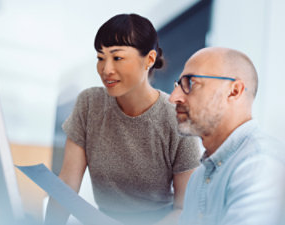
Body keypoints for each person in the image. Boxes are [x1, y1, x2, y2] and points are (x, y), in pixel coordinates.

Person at [45, 14, 201, 225]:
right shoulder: (89, 104)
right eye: (101, 58)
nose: (106, 70)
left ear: (150, 59)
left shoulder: (177, 118)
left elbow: (184, 210)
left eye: (117, 58)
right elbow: (66, 186)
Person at [169, 47, 285, 225]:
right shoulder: (198, 177)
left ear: (234, 91)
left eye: (191, 83)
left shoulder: (260, 165)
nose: (174, 97)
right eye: (178, 86)